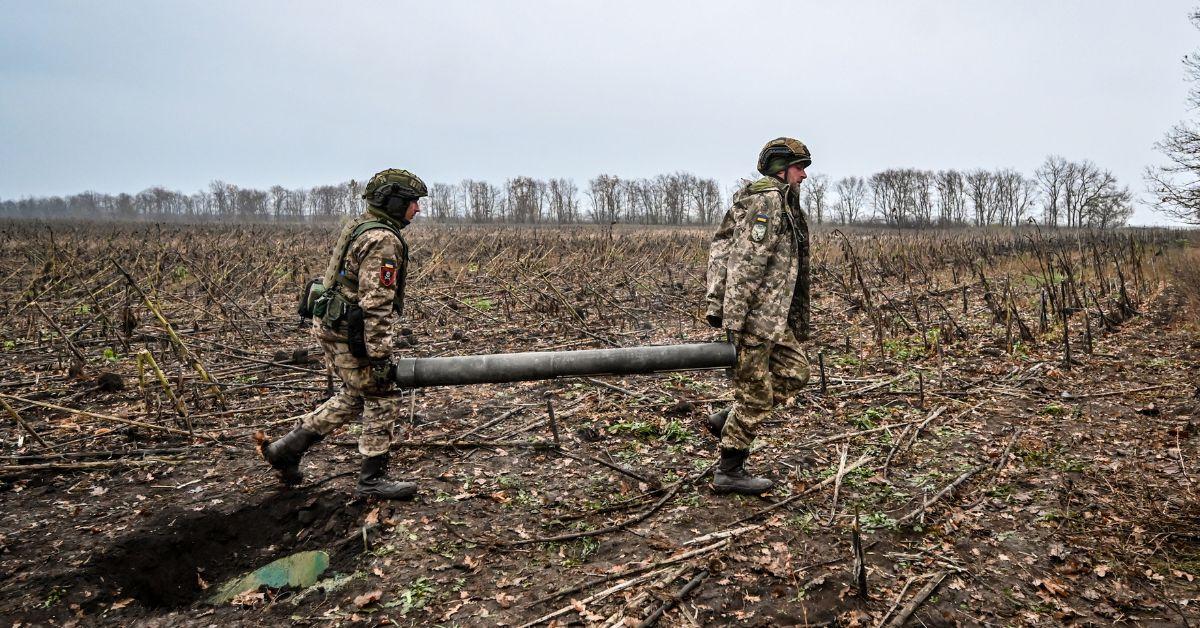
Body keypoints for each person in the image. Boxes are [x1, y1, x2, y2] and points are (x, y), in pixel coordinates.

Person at [261, 168, 426, 500]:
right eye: (412, 202)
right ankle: (372, 480)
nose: (418, 209)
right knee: (380, 393)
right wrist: (380, 355)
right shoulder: (382, 239)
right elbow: (376, 303)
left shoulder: (362, 225)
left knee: (353, 396)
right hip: (351, 332)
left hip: (335, 326)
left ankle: (285, 450)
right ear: (392, 202)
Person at [703, 138, 813, 495]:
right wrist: (734, 320)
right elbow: (746, 264)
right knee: (755, 397)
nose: (804, 175)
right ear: (781, 168)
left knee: (796, 371)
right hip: (754, 318)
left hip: (772, 317)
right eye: (800, 167)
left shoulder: (782, 201)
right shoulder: (766, 202)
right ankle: (730, 469)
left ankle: (728, 420)